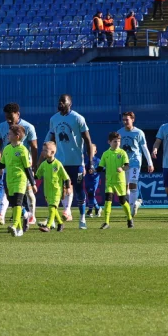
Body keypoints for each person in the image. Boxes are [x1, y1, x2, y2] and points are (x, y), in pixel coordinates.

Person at [46, 94, 96, 229]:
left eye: (63, 101)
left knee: (79, 189)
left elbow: (88, 141)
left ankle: (82, 218)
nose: (60, 103)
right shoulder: (54, 119)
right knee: (57, 190)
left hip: (76, 162)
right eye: (59, 101)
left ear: (70, 103)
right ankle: (55, 218)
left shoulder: (78, 118)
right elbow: (51, 140)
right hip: (60, 162)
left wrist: (89, 162)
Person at [0, 103, 38, 226]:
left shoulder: (28, 127)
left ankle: (31, 215)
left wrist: (34, 165)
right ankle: (23, 214)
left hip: (23, 167)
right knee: (9, 194)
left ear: (18, 114)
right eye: (6, 117)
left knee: (27, 192)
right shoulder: (1, 127)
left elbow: (34, 147)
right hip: (8, 165)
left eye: (10, 117)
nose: (8, 120)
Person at [0, 124, 33, 237]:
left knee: (18, 202)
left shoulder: (23, 150)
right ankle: (20, 228)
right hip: (9, 180)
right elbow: (2, 164)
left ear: (17, 136)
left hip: (20, 180)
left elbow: (27, 168)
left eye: (10, 134)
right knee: (14, 204)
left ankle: (14, 225)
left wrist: (33, 183)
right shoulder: (7, 149)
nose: (8, 135)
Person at [96, 132, 133, 230]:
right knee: (108, 201)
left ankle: (129, 219)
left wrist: (122, 168)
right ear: (109, 142)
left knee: (122, 201)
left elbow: (127, 166)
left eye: (119, 141)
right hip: (109, 181)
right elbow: (100, 167)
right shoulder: (106, 154)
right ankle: (106, 222)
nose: (117, 143)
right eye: (115, 141)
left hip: (120, 182)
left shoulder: (122, 153)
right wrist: (94, 170)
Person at [118, 112, 152, 213]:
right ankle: (136, 203)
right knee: (123, 189)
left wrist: (150, 163)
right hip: (123, 164)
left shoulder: (139, 133)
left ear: (132, 119)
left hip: (135, 162)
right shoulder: (119, 132)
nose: (125, 122)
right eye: (123, 120)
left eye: (127, 120)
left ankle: (132, 209)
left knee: (133, 184)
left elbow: (144, 148)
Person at [35, 142, 70, 233]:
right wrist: (30, 178)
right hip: (47, 191)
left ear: (53, 152)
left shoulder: (58, 164)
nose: (43, 152)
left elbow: (66, 177)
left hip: (56, 191)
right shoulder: (43, 165)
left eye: (45, 150)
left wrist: (68, 187)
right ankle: (60, 223)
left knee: (52, 208)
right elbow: (37, 176)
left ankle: (48, 226)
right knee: (54, 209)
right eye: (43, 150)